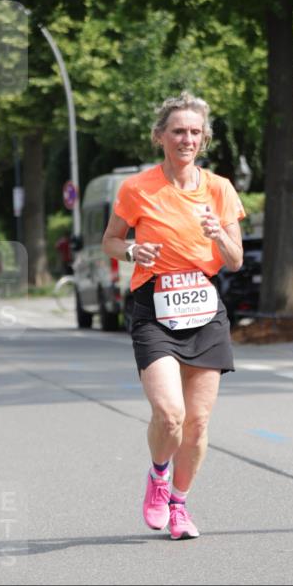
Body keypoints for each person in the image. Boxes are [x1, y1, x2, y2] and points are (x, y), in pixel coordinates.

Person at [102, 92, 245, 540]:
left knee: (197, 424)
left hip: (204, 307)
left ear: (204, 139)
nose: (187, 139)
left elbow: (236, 259)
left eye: (195, 132)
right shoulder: (137, 189)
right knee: (170, 413)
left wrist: (219, 234)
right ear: (160, 136)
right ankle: (159, 475)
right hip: (155, 307)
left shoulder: (219, 189)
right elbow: (110, 240)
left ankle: (179, 505)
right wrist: (131, 250)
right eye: (178, 131)